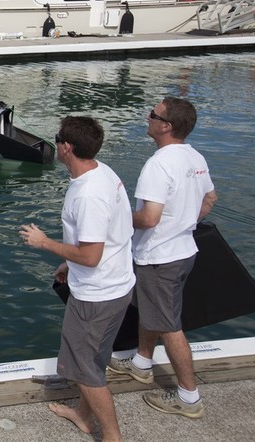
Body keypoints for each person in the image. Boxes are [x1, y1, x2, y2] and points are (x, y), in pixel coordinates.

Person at [19, 116, 134, 442]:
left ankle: (112, 437)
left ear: (67, 147)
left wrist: (45, 243)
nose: (55, 142)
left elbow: (91, 255)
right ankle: (83, 416)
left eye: (57, 138)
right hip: (117, 285)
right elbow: (106, 237)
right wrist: (70, 264)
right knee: (94, 361)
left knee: (84, 371)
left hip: (97, 296)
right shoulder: (103, 172)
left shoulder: (87, 195)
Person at [108, 97, 217, 419]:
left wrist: (115, 219)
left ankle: (189, 397)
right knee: (153, 309)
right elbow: (210, 198)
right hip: (183, 251)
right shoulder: (194, 156)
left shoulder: (158, 164)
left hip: (159, 257)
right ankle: (142, 362)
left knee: (169, 326)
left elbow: (148, 218)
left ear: (166, 126)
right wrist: (183, 223)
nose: (148, 117)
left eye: (153, 115)